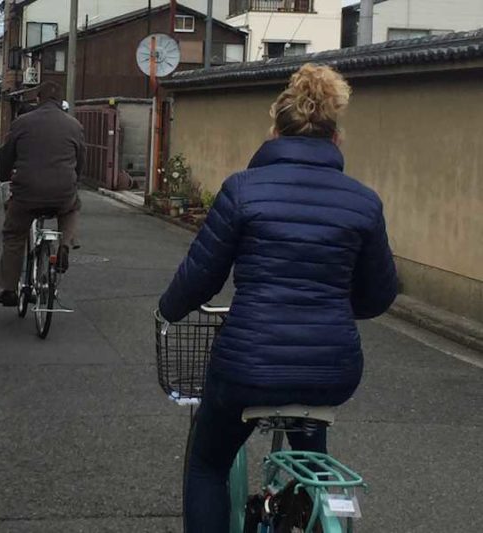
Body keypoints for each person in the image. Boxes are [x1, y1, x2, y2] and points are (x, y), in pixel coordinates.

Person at [158, 64, 398, 533]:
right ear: (336, 137)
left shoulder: (243, 190)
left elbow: (200, 277)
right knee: (312, 448)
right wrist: (332, 306)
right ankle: (316, 504)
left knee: (208, 462)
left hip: (249, 363)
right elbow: (379, 295)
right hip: (331, 366)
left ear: (274, 130)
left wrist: (169, 308)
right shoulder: (362, 201)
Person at [0, 81, 85, 307]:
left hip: (27, 192)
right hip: (63, 190)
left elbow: (6, 157)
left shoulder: (21, 123)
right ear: (60, 101)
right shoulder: (74, 125)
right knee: (72, 207)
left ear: (37, 98)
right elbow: (81, 160)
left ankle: (9, 289)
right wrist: (75, 180)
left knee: (14, 234)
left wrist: (5, 176)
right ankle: (64, 246)